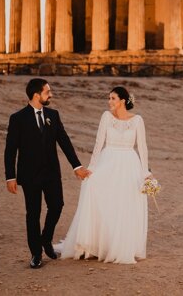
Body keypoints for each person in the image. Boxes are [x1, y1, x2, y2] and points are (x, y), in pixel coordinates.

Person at [57, 86, 151, 264]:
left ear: (122, 101)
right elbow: (98, 143)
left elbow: (143, 147)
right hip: (108, 162)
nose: (109, 102)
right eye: (109, 98)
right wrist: (91, 169)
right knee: (100, 194)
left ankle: (119, 247)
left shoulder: (138, 120)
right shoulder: (106, 117)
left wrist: (145, 173)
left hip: (129, 164)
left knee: (124, 205)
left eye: (113, 98)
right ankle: (96, 245)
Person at [4, 78, 91, 269]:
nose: (50, 95)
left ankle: (46, 239)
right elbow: (10, 150)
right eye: (47, 92)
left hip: (51, 172)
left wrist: (76, 166)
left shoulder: (53, 114)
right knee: (33, 214)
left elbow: (64, 142)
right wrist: (10, 176)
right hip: (29, 175)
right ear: (37, 95)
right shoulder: (18, 118)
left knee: (57, 205)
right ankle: (36, 254)